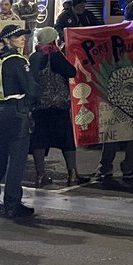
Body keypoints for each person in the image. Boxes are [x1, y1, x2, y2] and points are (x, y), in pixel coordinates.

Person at [0, 25, 38, 219]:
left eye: (23, 35)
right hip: (16, 112)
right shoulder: (17, 61)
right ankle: (12, 204)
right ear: (6, 39)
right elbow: (31, 90)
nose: (23, 38)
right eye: (18, 36)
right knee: (16, 160)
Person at [29, 28, 87, 187]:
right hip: (57, 105)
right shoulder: (54, 55)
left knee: (39, 139)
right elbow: (71, 71)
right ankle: (72, 173)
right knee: (66, 139)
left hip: (39, 105)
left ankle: (40, 174)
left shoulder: (34, 56)